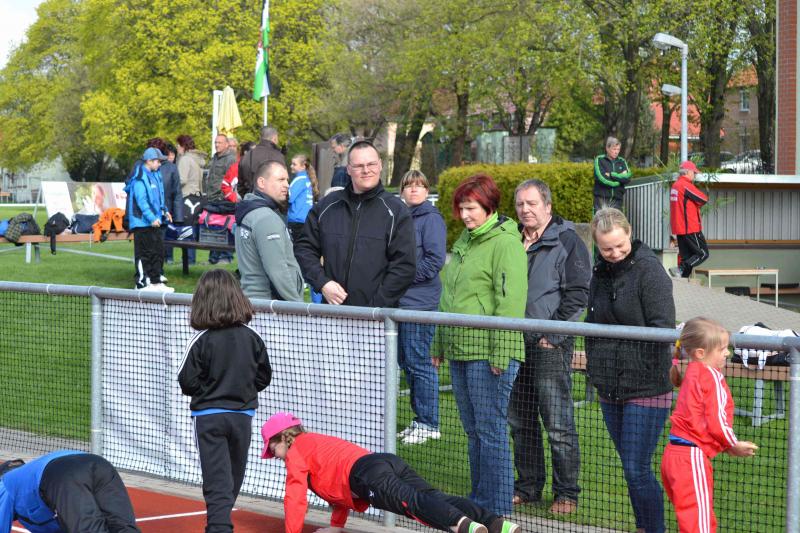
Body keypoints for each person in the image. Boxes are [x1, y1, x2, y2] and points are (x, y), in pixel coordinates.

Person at [430, 174, 527, 517]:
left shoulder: (506, 244)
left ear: (488, 206)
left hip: (488, 355)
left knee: (490, 431)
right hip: (459, 350)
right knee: (473, 432)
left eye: (470, 208)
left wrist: (501, 353)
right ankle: (480, 502)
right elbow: (448, 296)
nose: (464, 214)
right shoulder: (465, 240)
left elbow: (510, 303)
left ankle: (497, 509)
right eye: (461, 208)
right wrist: (439, 342)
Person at [260, 412, 521, 533]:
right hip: (382, 462)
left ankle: (462, 526)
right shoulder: (315, 443)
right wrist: (336, 527)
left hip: (365, 474)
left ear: (282, 438)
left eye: (272, 448)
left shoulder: (296, 453)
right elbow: (337, 496)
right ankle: (497, 524)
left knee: (412, 503)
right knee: (432, 496)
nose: (274, 454)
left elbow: (295, 498)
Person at [585, 207, 675, 533]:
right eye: (606, 248)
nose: (614, 253)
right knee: (629, 467)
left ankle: (653, 528)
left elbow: (663, 329)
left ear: (630, 233)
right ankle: (643, 526)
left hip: (646, 386)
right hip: (609, 385)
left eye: (620, 246)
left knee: (637, 468)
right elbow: (591, 322)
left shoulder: (650, 272)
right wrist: (597, 365)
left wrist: (633, 363)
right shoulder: (599, 272)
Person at [508, 179, 590, 514]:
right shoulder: (511, 238)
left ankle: (566, 493)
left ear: (548, 206)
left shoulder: (567, 240)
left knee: (557, 423)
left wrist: (552, 336)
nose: (525, 210)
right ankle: (528, 487)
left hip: (549, 345)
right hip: (514, 342)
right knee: (520, 421)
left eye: (532, 203)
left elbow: (578, 294)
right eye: (520, 204)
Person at [178, 269, 272, 533]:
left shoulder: (201, 340)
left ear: (202, 301)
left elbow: (187, 381)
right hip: (241, 417)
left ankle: (218, 527)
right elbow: (264, 376)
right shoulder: (252, 337)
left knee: (218, 479)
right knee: (232, 478)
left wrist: (209, 390)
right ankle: (220, 525)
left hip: (209, 418)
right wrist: (241, 389)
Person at [661, 317, 758, 533]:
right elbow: (716, 421)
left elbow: (700, 420)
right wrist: (733, 444)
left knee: (692, 522)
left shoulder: (693, 371)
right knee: (699, 525)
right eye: (721, 349)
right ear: (700, 353)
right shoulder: (711, 376)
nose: (727, 353)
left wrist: (725, 446)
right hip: (690, 459)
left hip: (673, 456)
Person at [294, 139, 416, 307]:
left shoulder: (396, 211)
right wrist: (322, 283)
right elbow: (304, 248)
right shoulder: (326, 207)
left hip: (377, 316)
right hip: (332, 313)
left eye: (371, 164)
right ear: (349, 169)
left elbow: (404, 267)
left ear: (380, 165)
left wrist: (375, 308)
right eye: (358, 166)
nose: (366, 170)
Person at [395, 170, 447, 446]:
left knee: (419, 363)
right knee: (407, 363)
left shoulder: (431, 219)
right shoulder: (400, 217)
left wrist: (402, 277)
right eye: (409, 185)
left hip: (420, 303)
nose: (414, 189)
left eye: (419, 185)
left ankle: (429, 423)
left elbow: (434, 260)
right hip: (401, 302)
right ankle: (420, 419)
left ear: (427, 190)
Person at [0, 450, 140, 533]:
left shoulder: (5, 483)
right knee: (123, 527)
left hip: (63, 475)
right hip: (99, 465)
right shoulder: (29, 475)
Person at [235, 161, 304, 301]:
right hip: (270, 305)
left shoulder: (250, 212)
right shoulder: (266, 218)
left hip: (253, 301)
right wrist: (297, 305)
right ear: (261, 182)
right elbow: (277, 270)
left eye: (287, 180)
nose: (287, 185)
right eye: (280, 180)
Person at [125, 147, 173, 292]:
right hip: (142, 223)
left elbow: (159, 198)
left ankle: (156, 282)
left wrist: (165, 211)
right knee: (144, 254)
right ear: (149, 161)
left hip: (155, 222)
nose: (160, 164)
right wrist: (152, 218)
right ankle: (141, 284)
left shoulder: (156, 175)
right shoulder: (139, 178)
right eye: (158, 161)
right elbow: (142, 201)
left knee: (157, 253)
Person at [669, 160, 709, 278]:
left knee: (687, 257)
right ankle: (680, 268)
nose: (695, 175)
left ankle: (682, 279)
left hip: (679, 228)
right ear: (687, 172)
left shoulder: (675, 185)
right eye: (694, 172)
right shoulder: (685, 185)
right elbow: (703, 199)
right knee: (702, 253)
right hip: (690, 227)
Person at [175, 134, 207, 266]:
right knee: (191, 228)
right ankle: (190, 260)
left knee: (185, 229)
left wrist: (172, 186)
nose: (177, 147)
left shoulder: (185, 159)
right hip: (197, 197)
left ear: (183, 146)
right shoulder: (197, 159)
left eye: (178, 145)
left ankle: (187, 261)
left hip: (187, 196)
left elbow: (182, 179)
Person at [205, 134, 237, 264]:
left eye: (219, 143)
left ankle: (226, 256)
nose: (217, 145)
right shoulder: (215, 158)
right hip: (212, 198)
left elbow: (231, 180)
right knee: (213, 227)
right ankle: (213, 258)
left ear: (226, 144)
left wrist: (226, 196)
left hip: (223, 199)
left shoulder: (230, 159)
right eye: (215, 142)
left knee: (224, 227)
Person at [238, 126, 285, 199]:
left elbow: (240, 184)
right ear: (275, 138)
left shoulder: (247, 155)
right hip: (271, 200)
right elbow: (282, 181)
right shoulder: (278, 156)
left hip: (250, 199)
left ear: (261, 138)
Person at [593, 136, 632, 211]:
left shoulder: (622, 161)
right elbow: (602, 179)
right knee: (601, 219)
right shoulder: (599, 160)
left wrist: (611, 175)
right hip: (601, 200)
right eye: (614, 149)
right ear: (607, 148)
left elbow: (627, 178)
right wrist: (619, 181)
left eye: (618, 149)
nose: (616, 152)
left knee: (617, 219)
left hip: (617, 201)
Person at [287, 153, 319, 242]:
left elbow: (288, 198)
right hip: (306, 220)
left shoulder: (299, 179)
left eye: (294, 164)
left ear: (303, 166)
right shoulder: (307, 179)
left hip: (296, 220)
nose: (291, 166)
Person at [162, 142, 184, 265]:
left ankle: (169, 257)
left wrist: (178, 215)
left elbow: (177, 193)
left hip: (169, 206)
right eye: (169, 154)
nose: (171, 157)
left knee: (169, 231)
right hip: (165, 205)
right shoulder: (168, 168)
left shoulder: (173, 168)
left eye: (173, 155)